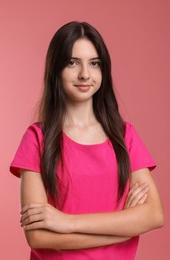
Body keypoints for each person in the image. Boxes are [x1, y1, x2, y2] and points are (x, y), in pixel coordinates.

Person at [10, 21, 164, 260]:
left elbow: (153, 215)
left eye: (94, 63)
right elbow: (38, 237)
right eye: (72, 63)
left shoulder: (125, 136)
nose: (85, 74)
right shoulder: (37, 139)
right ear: (56, 69)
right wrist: (124, 229)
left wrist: (66, 222)